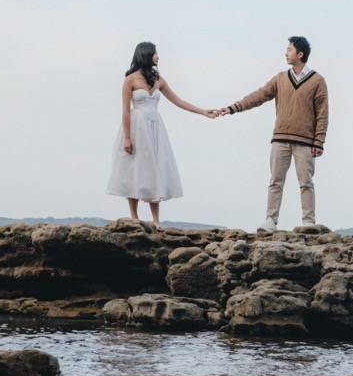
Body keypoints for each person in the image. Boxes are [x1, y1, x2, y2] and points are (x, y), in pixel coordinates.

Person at [213, 35, 328, 230]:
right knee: (275, 181)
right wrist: (232, 108)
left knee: (306, 182)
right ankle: (271, 220)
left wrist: (319, 141)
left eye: (289, 50)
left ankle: (308, 222)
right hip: (280, 138)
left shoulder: (317, 81)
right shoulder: (280, 78)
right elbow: (258, 96)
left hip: (306, 141)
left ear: (300, 54)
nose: (286, 53)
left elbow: (323, 114)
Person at [106, 40, 219, 226]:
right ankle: (134, 217)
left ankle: (156, 221)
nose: (158, 57)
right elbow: (125, 111)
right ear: (145, 54)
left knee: (154, 169)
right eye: (155, 53)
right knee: (133, 168)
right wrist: (127, 137)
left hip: (155, 127)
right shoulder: (130, 80)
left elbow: (178, 101)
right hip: (136, 127)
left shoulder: (158, 79)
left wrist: (203, 112)